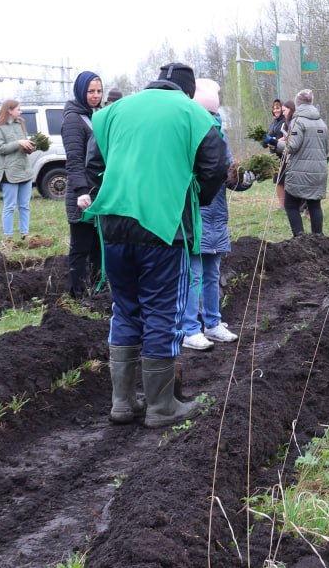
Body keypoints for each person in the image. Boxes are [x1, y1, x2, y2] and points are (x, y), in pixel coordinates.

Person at [79, 62, 229, 428]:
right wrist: (196, 199)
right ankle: (161, 407)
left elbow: (93, 164)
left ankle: (123, 403)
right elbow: (216, 166)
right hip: (164, 229)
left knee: (125, 309)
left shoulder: (114, 110)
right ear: (188, 92)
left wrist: (107, 195)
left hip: (113, 225)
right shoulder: (192, 113)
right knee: (162, 311)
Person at [181, 78, 255, 350]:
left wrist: (240, 178)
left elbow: (228, 168)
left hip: (217, 211)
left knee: (212, 273)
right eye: (208, 112)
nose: (211, 117)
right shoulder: (188, 132)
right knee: (194, 274)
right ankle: (189, 329)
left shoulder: (219, 132)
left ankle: (212, 323)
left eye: (214, 113)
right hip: (196, 209)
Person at [63, 71, 105, 296]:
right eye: (90, 91)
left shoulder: (94, 115)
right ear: (81, 91)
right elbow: (75, 160)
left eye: (98, 91)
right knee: (81, 246)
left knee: (99, 243)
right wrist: (81, 191)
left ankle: (98, 287)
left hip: (98, 192)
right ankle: (77, 293)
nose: (95, 95)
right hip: (82, 195)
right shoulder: (73, 119)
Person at [282, 88, 329, 237]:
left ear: (297, 104)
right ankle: (318, 239)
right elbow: (326, 150)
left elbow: (292, 146)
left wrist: (274, 144)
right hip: (319, 171)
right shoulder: (321, 123)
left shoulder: (298, 121)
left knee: (290, 205)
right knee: (314, 204)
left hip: (299, 173)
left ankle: (300, 238)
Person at [0, 99, 36, 247]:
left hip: (24, 170)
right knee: (9, 206)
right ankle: (8, 238)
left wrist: (30, 147)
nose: (20, 111)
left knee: (24, 205)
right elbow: (0, 148)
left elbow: (24, 143)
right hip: (9, 172)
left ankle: (25, 235)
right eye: (18, 109)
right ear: (9, 110)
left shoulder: (20, 124)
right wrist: (18, 143)